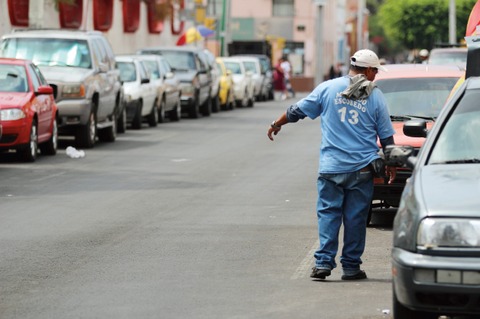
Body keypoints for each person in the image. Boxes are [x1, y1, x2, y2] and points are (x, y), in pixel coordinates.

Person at [267, 49, 396, 281]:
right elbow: (386, 137)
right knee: (356, 219)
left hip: (331, 168)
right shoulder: (376, 96)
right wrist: (392, 164)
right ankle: (351, 268)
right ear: (367, 70)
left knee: (328, 215)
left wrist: (277, 123)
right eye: (375, 71)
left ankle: (323, 264)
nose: (375, 75)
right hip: (361, 169)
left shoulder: (328, 88)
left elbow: (298, 111)